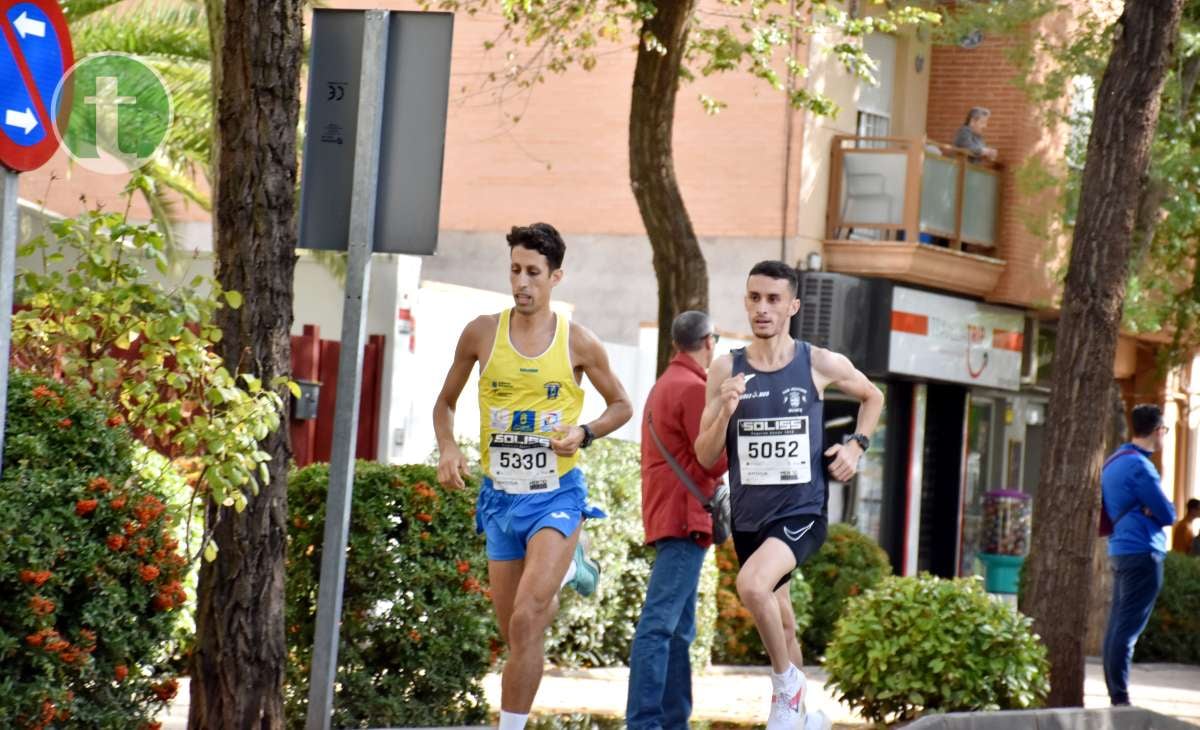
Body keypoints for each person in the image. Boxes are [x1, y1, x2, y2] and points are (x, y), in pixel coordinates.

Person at [433, 222, 633, 730]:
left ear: (555, 277)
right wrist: (449, 447)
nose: (522, 282)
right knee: (519, 634)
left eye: (533, 273)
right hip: (500, 499)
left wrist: (585, 433)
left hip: (556, 497)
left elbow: (623, 405)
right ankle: (570, 566)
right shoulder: (481, 333)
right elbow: (445, 403)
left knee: (526, 617)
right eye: (515, 271)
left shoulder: (578, 342)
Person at [694, 261, 884, 730]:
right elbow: (704, 454)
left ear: (793, 306)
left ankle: (785, 687)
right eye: (755, 297)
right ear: (746, 302)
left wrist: (856, 447)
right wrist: (724, 410)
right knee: (783, 619)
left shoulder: (816, 362)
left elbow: (872, 397)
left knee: (753, 586)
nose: (763, 308)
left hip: (801, 511)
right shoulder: (725, 367)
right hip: (749, 517)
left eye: (774, 299)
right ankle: (804, 718)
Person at [626, 310, 728, 730]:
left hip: (670, 513)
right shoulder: (692, 388)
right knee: (660, 626)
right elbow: (712, 460)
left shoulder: (665, 384)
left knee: (679, 630)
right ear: (708, 342)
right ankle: (646, 722)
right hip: (685, 517)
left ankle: (672, 721)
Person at [1101, 404, 1177, 707]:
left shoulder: (1114, 460)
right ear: (1158, 431)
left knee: (1117, 624)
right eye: (1165, 431)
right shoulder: (1140, 467)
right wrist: (1153, 510)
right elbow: (1168, 513)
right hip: (1143, 551)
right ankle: (1120, 697)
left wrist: (1150, 509)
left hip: (1120, 548)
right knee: (1127, 629)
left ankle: (1115, 691)